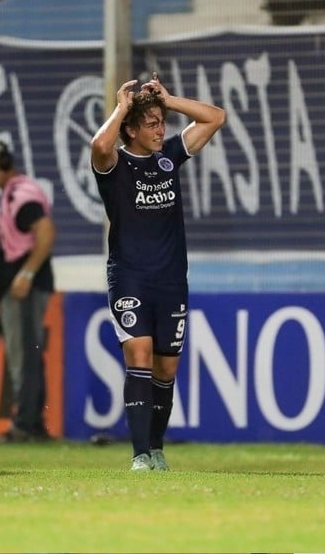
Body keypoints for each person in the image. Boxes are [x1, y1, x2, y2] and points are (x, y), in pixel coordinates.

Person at [90, 73, 225, 471]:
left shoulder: (169, 156)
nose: (160, 130)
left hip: (170, 280)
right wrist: (121, 106)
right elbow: (99, 143)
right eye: (151, 124)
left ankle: (156, 447)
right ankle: (138, 455)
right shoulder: (114, 164)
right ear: (130, 130)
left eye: (161, 123)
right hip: (130, 276)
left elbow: (215, 117)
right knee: (140, 355)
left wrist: (168, 99)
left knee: (166, 367)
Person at [0, 140, 56, 442]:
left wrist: (26, 274)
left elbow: (46, 232)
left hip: (25, 289)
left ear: (5, 164)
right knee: (25, 354)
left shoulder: (22, 195)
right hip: (19, 286)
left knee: (24, 355)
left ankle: (25, 425)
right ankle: (31, 424)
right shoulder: (12, 194)